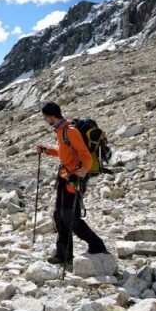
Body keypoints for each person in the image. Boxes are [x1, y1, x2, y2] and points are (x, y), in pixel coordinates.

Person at [35, 102, 108, 264]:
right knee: (59, 215)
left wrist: (83, 170)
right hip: (64, 176)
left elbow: (84, 154)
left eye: (45, 116)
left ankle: (97, 245)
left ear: (53, 116)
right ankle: (63, 254)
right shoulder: (61, 131)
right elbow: (63, 153)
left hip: (74, 178)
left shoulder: (70, 131)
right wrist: (46, 150)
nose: (44, 119)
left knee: (68, 215)